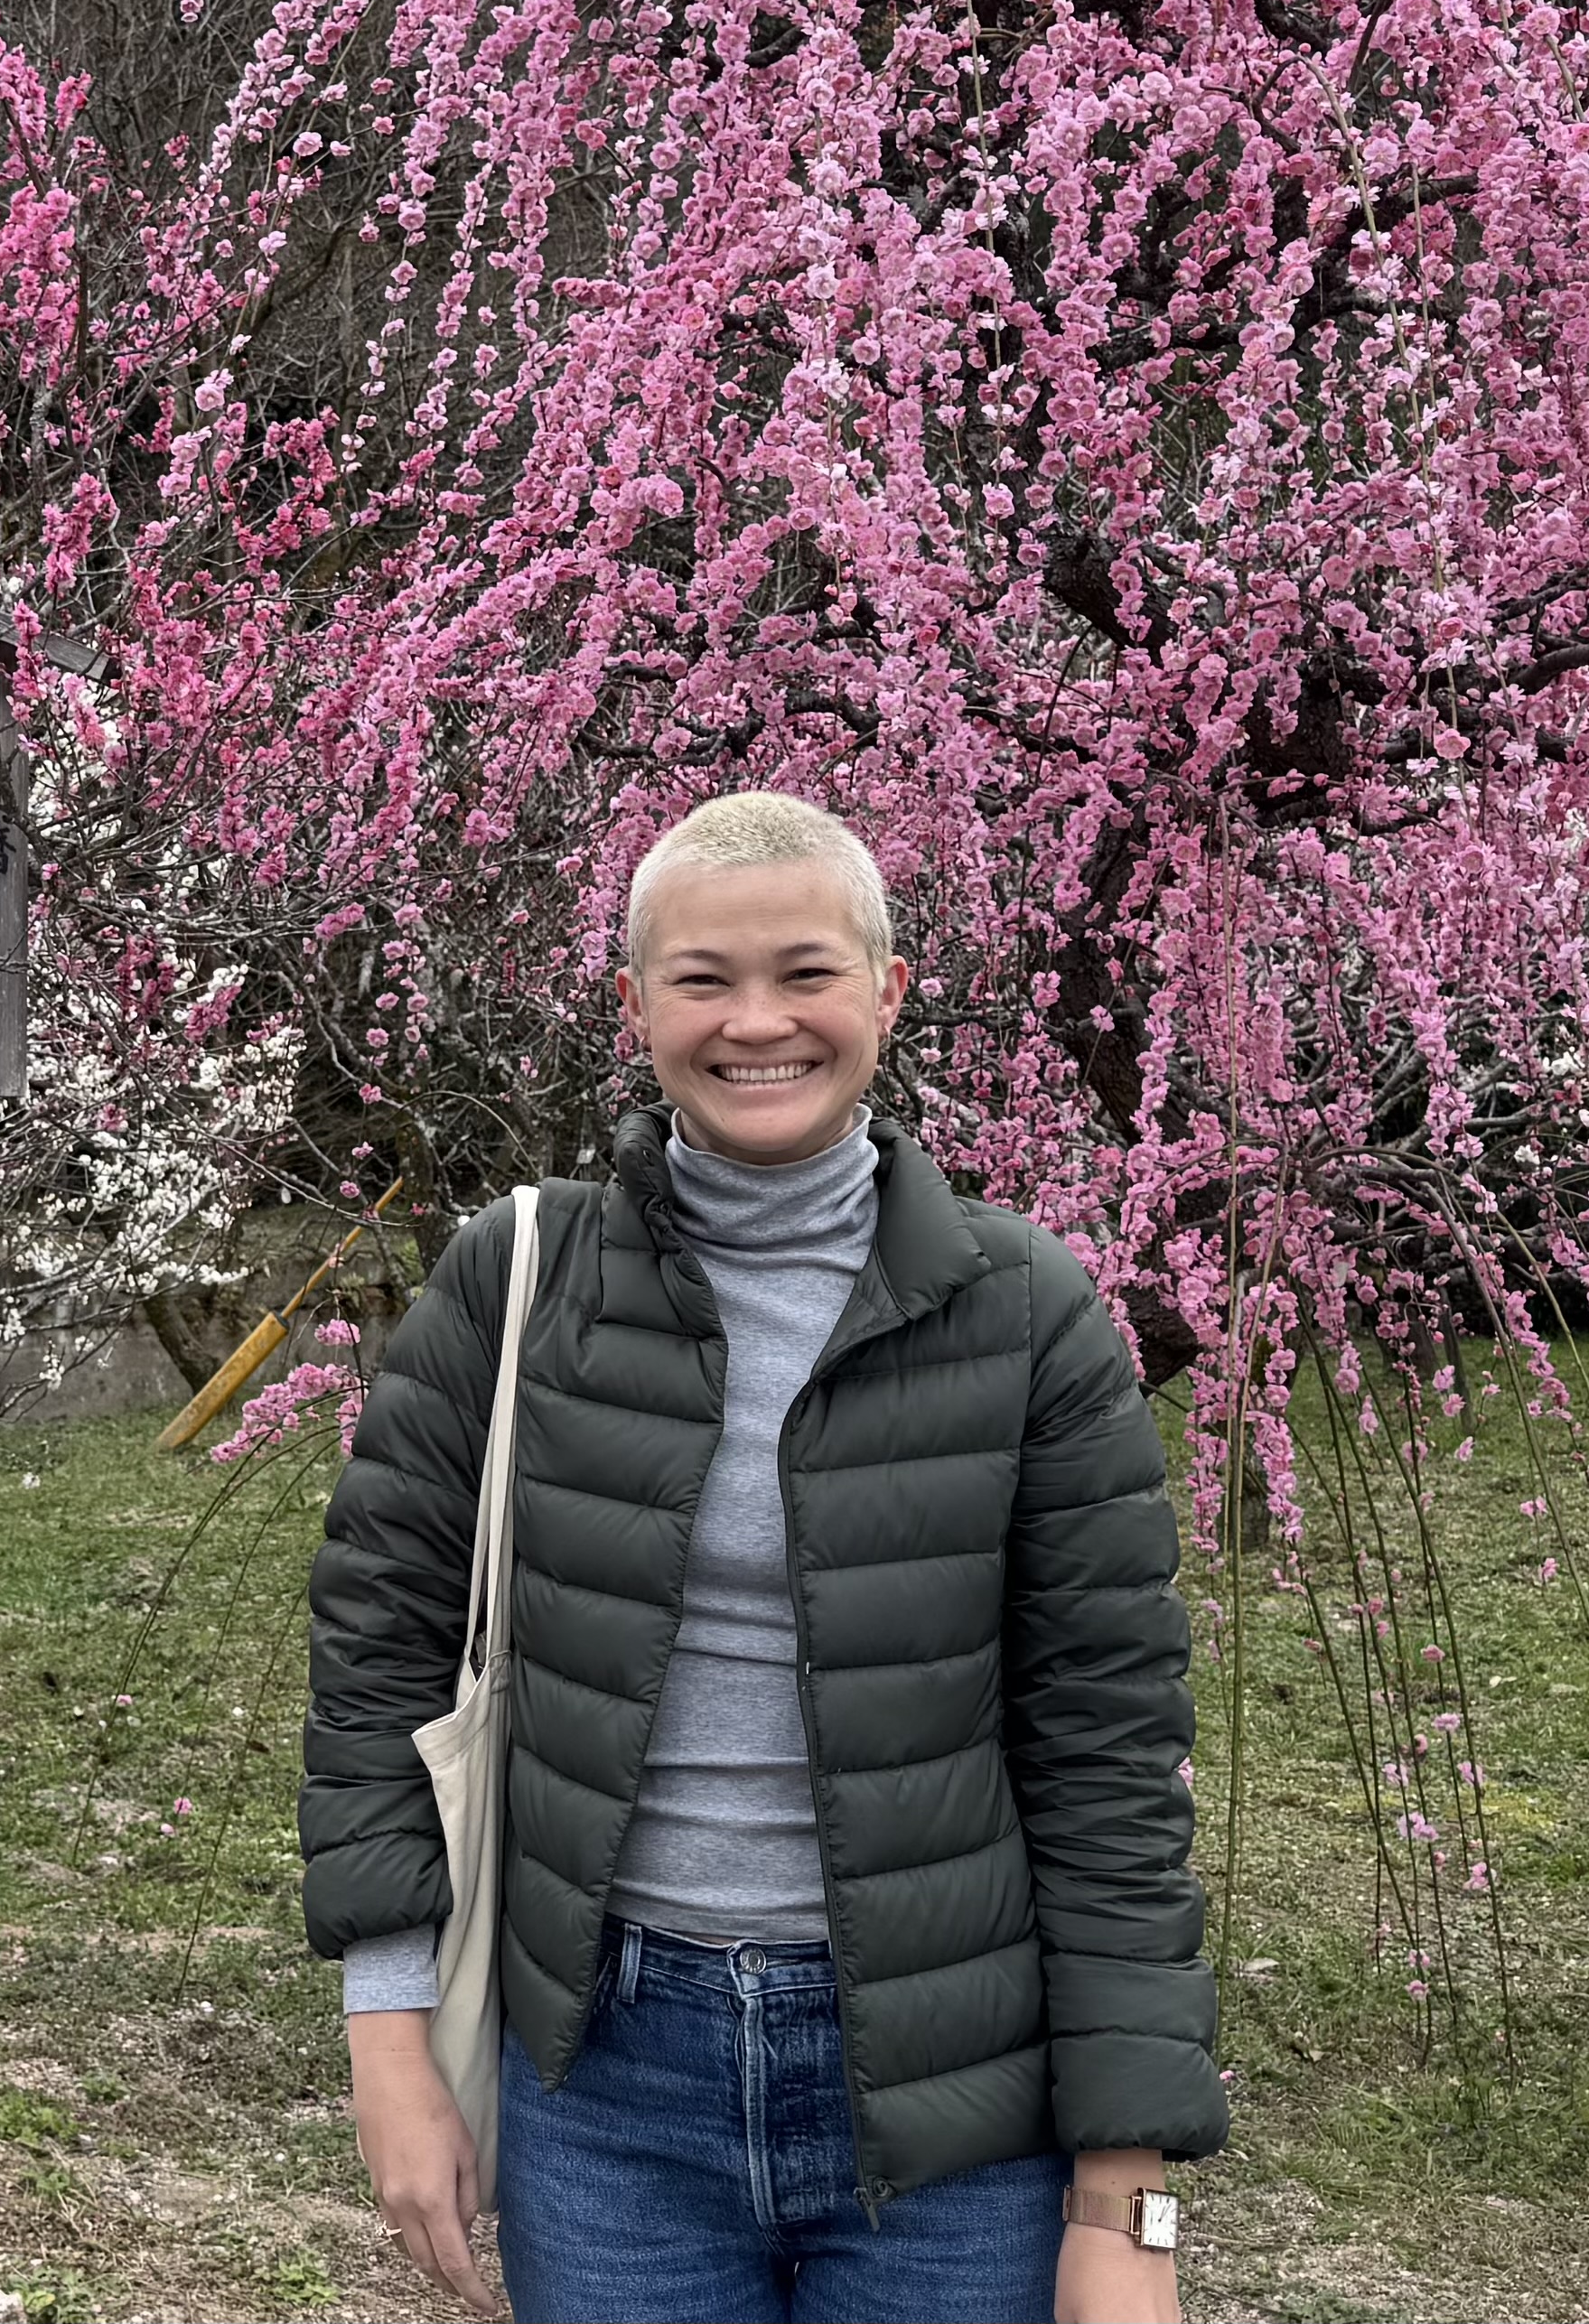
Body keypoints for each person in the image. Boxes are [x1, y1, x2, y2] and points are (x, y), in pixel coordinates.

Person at [303, 791, 1220, 2324]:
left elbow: (1110, 1766)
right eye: (703, 980)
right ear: (633, 1006)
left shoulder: (1026, 1314)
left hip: (953, 2105)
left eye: (805, 972)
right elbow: (379, 1659)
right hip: (607, 2084)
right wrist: (387, 2040)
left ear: (886, 990)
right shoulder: (518, 1282)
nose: (756, 1024)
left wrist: (1134, 2208)